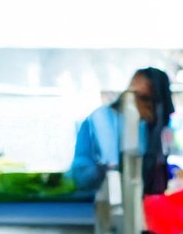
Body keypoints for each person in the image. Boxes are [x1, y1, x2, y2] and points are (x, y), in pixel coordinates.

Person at [68, 67, 174, 196]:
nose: (139, 104)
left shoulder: (150, 127)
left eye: (146, 99)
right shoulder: (101, 120)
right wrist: (106, 170)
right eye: (133, 95)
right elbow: (81, 176)